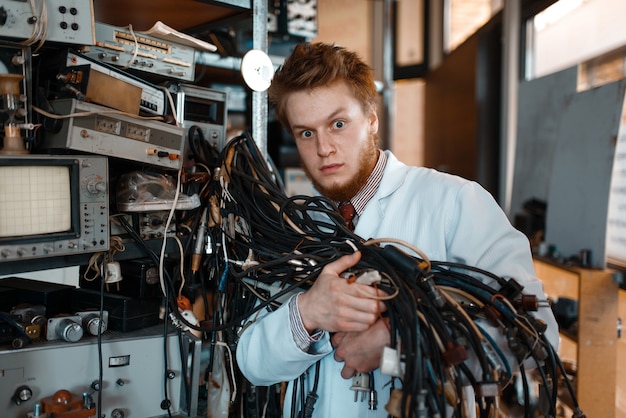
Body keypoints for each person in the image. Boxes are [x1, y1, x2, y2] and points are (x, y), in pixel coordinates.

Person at [235, 42, 559, 417]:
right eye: (306, 133)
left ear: (372, 117)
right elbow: (253, 364)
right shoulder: (295, 227)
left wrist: (401, 340)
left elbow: (539, 337)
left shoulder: (455, 203)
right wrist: (308, 312)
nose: (324, 148)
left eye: (338, 124)